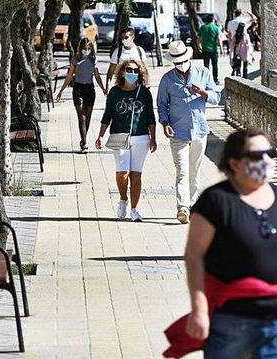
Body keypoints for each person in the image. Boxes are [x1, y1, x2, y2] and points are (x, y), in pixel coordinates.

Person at [165, 128, 277, 359]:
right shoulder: (215, 201)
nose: (265, 161)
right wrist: (199, 309)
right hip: (231, 323)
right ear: (234, 163)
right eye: (255, 156)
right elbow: (194, 256)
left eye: (269, 154)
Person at [158, 41, 222, 224]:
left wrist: (203, 93)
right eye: (178, 62)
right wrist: (165, 123)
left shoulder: (203, 73)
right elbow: (162, 105)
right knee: (182, 171)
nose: (182, 64)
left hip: (200, 131)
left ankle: (192, 204)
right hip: (178, 132)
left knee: (195, 171)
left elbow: (217, 97)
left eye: (184, 60)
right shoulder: (167, 80)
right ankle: (182, 207)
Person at [95, 59, 157, 222]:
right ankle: (123, 199)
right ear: (122, 72)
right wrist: (101, 135)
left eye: (136, 71)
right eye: (129, 70)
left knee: (136, 174)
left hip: (141, 137)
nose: (132, 73)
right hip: (119, 136)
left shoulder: (144, 92)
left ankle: (135, 210)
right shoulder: (115, 92)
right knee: (123, 173)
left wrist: (153, 138)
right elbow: (107, 115)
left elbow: (151, 116)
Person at [55, 37, 106, 153]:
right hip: (78, 88)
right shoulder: (75, 59)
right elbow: (69, 76)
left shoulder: (93, 59)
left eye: (88, 48)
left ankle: (83, 140)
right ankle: (85, 144)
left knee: (87, 117)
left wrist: (103, 88)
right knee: (81, 117)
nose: (86, 50)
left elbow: (97, 76)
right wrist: (61, 90)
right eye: (84, 48)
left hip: (89, 89)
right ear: (80, 48)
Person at [198, 14, 221, 85]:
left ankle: (207, 80)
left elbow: (199, 39)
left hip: (205, 49)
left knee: (206, 65)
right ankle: (215, 79)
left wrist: (199, 46)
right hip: (214, 50)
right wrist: (221, 48)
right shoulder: (216, 28)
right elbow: (218, 39)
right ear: (213, 20)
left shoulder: (202, 27)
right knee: (215, 65)